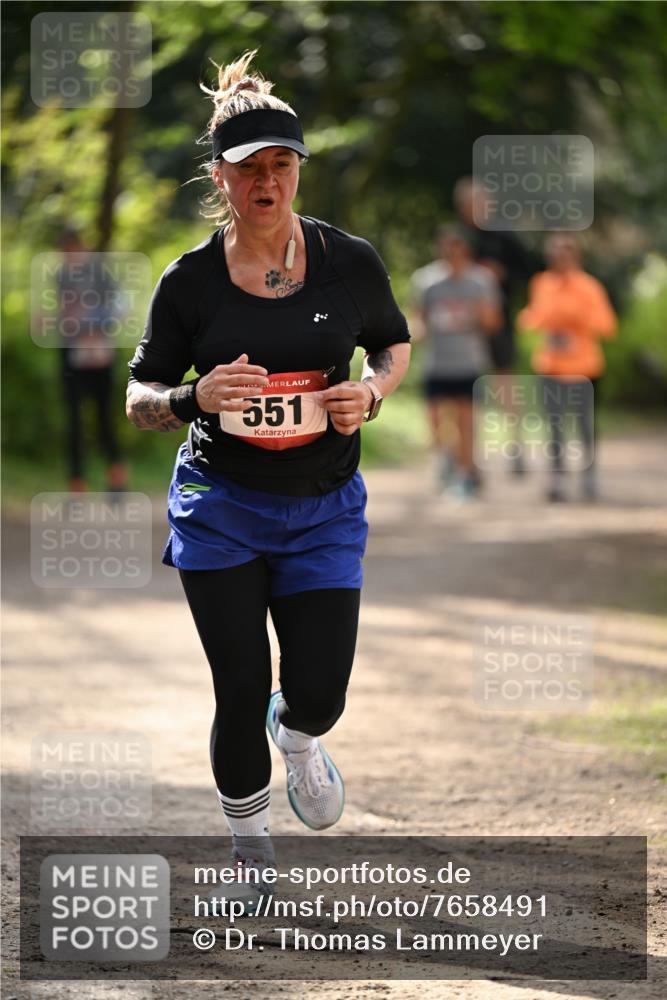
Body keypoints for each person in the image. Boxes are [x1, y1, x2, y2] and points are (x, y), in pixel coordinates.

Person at [126, 52, 411, 905]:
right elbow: (138, 397)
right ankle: (251, 857)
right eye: (250, 167)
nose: (268, 181)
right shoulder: (190, 281)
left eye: (282, 164)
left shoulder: (345, 261)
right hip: (221, 507)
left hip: (324, 504)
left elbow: (391, 345)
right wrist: (192, 395)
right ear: (222, 177)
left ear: (295, 171)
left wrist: (371, 390)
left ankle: (299, 739)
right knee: (238, 680)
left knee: (316, 692)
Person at [517, 233, 617, 501]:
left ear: (575, 256)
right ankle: (558, 476)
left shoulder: (589, 287)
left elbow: (607, 326)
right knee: (554, 423)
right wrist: (538, 320)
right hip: (550, 365)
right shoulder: (542, 283)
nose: (560, 259)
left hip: (584, 368)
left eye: (565, 253)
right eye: (555, 254)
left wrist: (575, 319)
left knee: (584, 424)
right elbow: (532, 317)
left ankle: (588, 474)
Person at [411, 225, 501, 500]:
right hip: (436, 361)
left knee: (466, 419)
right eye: (448, 248)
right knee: (435, 419)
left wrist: (477, 312)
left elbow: (494, 323)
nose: (453, 254)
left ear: (467, 251)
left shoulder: (481, 280)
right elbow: (418, 318)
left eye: (458, 248)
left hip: (469, 360)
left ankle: (465, 473)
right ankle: (448, 458)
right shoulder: (426, 280)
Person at [454, 177, 537, 474]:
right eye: (470, 204)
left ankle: (516, 448)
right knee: (466, 390)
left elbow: (529, 274)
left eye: (481, 203)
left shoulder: (505, 236)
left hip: (500, 322)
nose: (476, 209)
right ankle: (467, 458)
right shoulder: (458, 238)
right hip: (464, 328)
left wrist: (502, 274)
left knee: (506, 385)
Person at [57, 227, 127, 493]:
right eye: (66, 251)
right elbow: (64, 313)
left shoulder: (100, 275)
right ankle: (77, 484)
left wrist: (93, 324)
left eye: (74, 249)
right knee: (74, 419)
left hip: (100, 354)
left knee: (104, 419)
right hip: (72, 353)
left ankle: (116, 479)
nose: (70, 255)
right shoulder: (61, 276)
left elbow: (119, 307)